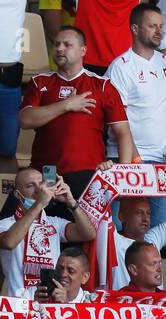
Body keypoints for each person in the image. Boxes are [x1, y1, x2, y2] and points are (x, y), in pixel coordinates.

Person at [21, 26, 135, 194]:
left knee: (82, 220)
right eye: (57, 44)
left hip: (89, 172)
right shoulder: (40, 82)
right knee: (46, 219)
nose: (60, 48)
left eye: (67, 45)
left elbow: (123, 131)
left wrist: (122, 174)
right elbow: (25, 120)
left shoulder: (102, 85)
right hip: (47, 172)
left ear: (83, 50)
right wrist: (66, 105)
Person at [106, 4, 166, 212]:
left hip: (162, 162)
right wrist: (135, 160)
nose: (159, 31)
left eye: (161, 26)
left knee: (156, 229)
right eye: (152, 26)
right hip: (125, 160)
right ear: (135, 29)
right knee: (119, 228)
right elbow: (118, 121)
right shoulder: (120, 67)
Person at [0, 168, 96, 299]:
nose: (38, 190)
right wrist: (40, 203)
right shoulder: (6, 224)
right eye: (30, 186)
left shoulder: (54, 223)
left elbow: (88, 234)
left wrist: (71, 203)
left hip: (51, 301)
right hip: (18, 305)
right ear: (18, 195)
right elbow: (9, 242)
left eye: (41, 184)